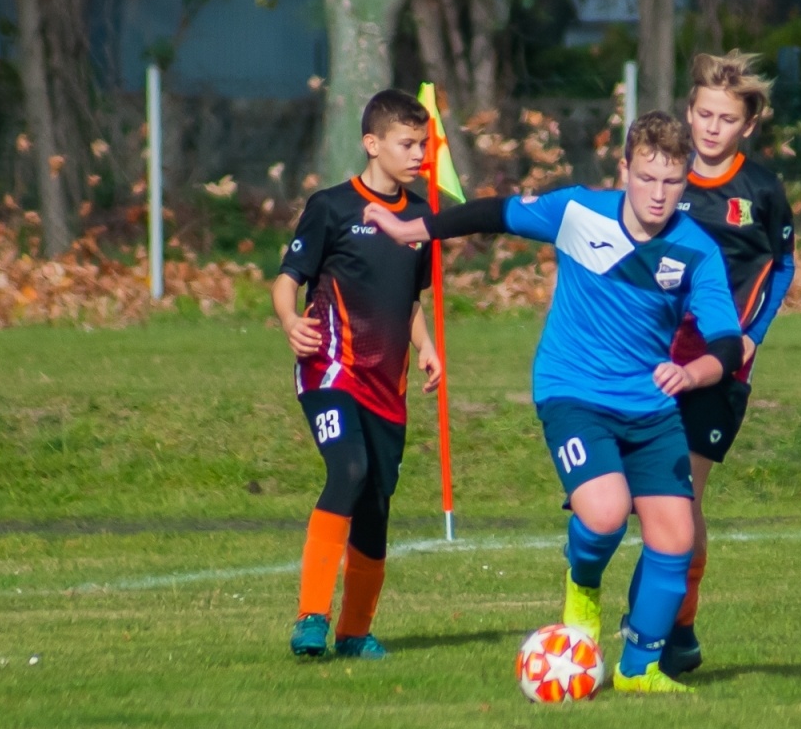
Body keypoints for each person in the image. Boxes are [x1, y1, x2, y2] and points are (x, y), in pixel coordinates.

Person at [364, 112, 742, 693]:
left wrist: (692, 373)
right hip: (573, 391)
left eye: (671, 182)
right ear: (624, 170)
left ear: (686, 181)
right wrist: (415, 230)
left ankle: (640, 670)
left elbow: (724, 342)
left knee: (675, 536)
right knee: (606, 512)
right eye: (647, 178)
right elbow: (497, 213)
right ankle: (582, 585)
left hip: (651, 403)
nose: (658, 194)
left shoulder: (697, 252)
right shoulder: (578, 212)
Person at [271, 89, 442, 659]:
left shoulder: (420, 217)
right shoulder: (331, 207)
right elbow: (287, 278)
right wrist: (289, 320)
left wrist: (427, 347)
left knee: (375, 506)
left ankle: (354, 632)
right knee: (349, 469)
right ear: (372, 144)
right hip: (330, 371)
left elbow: (411, 302)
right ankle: (311, 618)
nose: (418, 153)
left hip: (386, 388)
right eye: (407, 143)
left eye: (423, 143)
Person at [659, 50, 797, 678]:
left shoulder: (761, 190)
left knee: (683, 498)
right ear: (689, 114)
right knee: (640, 497)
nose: (712, 128)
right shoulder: (664, 178)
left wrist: (754, 335)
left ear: (747, 126)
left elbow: (784, 265)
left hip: (720, 367)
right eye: (703, 114)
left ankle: (678, 628)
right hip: (652, 359)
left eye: (726, 119)